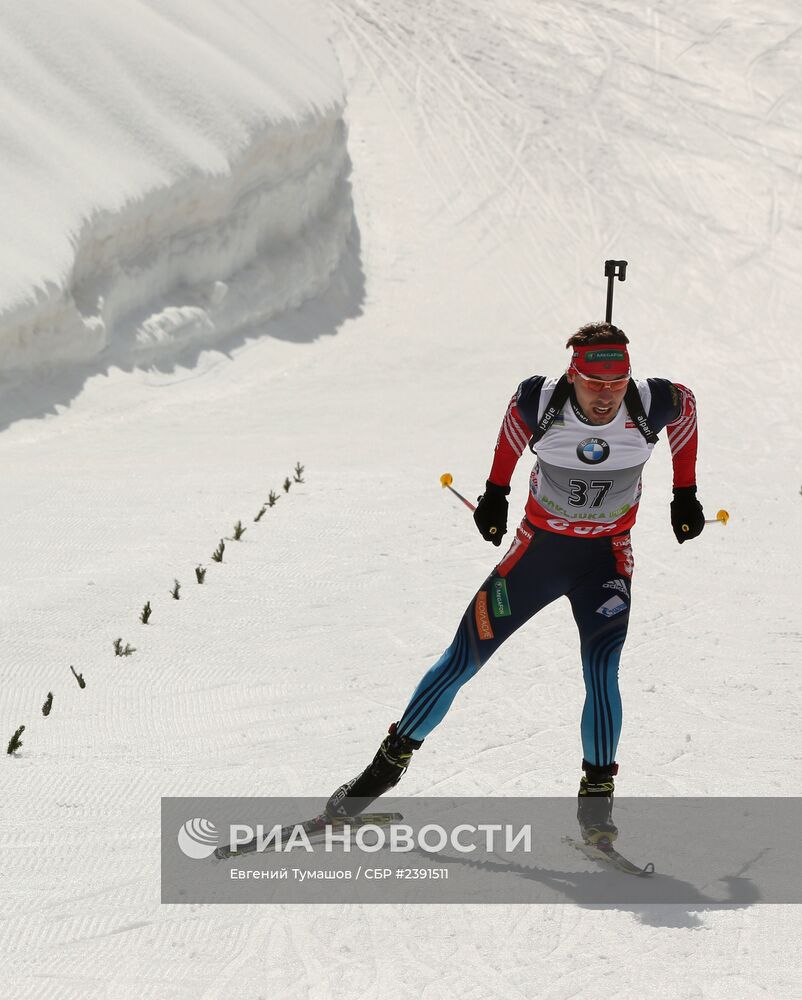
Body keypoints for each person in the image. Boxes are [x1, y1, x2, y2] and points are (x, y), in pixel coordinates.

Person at [326, 322, 704, 845]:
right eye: (594, 384)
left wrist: (684, 492)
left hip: (606, 563)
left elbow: (686, 410)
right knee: (462, 659)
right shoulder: (540, 403)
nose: (606, 396)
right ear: (573, 374)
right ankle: (373, 781)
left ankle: (596, 807)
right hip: (537, 556)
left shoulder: (651, 402)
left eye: (616, 385)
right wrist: (494, 493)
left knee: (602, 672)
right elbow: (509, 432)